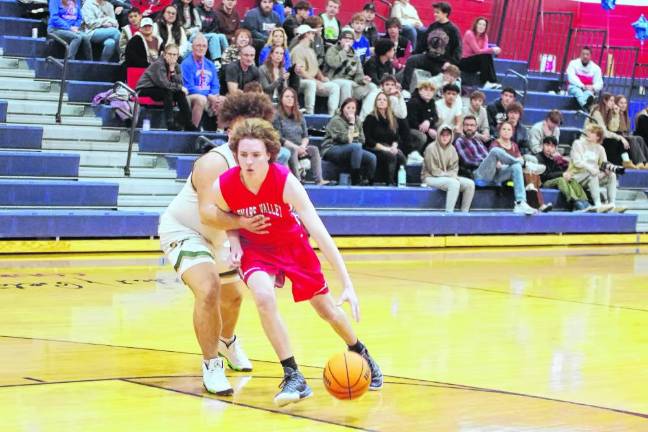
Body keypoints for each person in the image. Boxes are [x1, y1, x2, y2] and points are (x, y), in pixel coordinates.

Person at [212, 117, 382, 407]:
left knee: (327, 310)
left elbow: (320, 232)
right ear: (235, 155)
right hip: (256, 248)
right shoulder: (224, 185)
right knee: (263, 297)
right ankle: (293, 375)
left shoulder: (285, 182)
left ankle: (359, 349)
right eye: (243, 155)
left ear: (269, 154)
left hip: (293, 246)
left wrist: (348, 282)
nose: (249, 162)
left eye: (256, 155)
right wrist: (237, 241)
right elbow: (226, 216)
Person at [158, 92, 274, 396]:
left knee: (234, 297)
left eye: (255, 126)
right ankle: (211, 364)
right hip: (186, 229)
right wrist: (244, 224)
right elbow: (208, 214)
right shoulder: (214, 162)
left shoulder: (264, 164)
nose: (248, 133)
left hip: (225, 235)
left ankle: (227, 341)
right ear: (228, 129)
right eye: (241, 126)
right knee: (208, 288)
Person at [454, 116, 537, 215]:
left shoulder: (478, 141)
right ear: (463, 126)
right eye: (467, 125)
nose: (469, 127)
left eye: (472, 125)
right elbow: (468, 161)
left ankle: (520, 203)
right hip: (478, 174)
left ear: (476, 127)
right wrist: (489, 161)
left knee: (516, 167)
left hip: (493, 173)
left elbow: (487, 156)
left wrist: (492, 162)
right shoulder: (460, 141)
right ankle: (524, 163)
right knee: (495, 151)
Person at [490, 121, 550, 212]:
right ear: (499, 131)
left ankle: (534, 196)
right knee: (521, 168)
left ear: (512, 132)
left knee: (528, 171)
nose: (506, 131)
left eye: (509, 129)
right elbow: (498, 165)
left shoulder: (514, 145)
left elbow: (520, 160)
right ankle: (534, 202)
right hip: (500, 174)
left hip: (515, 173)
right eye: (504, 129)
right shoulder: (495, 144)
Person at [273, 87, 328, 185]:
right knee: (292, 150)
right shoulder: (276, 116)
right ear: (281, 99)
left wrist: (302, 146)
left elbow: (305, 136)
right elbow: (279, 138)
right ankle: (297, 180)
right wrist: (296, 147)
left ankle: (319, 180)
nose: (290, 99)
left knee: (314, 149)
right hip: (286, 147)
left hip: (300, 146)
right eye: (287, 96)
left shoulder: (299, 115)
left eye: (292, 97)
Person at [136, 44, 196, 131]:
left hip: (161, 89)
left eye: (174, 54)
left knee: (180, 93)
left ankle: (188, 123)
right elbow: (164, 84)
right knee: (167, 91)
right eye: (169, 54)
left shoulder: (176, 66)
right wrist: (179, 87)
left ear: (178, 56)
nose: (172, 56)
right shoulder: (158, 64)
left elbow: (180, 83)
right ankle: (170, 123)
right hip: (145, 89)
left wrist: (172, 70)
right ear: (164, 54)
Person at [568, 124, 623, 212]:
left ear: (598, 137)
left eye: (592, 132)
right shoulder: (578, 143)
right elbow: (577, 162)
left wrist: (607, 170)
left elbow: (604, 163)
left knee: (612, 175)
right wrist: (591, 169)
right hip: (577, 176)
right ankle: (598, 204)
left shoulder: (600, 148)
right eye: (588, 131)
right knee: (592, 175)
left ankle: (612, 203)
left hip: (593, 176)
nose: (588, 133)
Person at [322, 98, 376, 185]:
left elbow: (362, 139)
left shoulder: (358, 120)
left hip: (352, 149)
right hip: (332, 148)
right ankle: (355, 179)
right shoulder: (336, 120)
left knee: (372, 157)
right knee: (356, 147)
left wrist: (353, 137)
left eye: (353, 108)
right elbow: (346, 140)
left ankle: (368, 181)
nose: (351, 111)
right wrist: (351, 124)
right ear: (343, 108)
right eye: (348, 108)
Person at [421, 125, 475, 212]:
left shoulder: (452, 149)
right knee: (454, 183)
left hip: (447, 177)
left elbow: (454, 168)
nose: (445, 137)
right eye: (443, 135)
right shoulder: (430, 148)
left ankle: (464, 213)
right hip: (430, 177)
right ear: (438, 135)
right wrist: (448, 175)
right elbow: (433, 170)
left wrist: (450, 175)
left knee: (470, 184)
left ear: (451, 136)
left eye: (447, 135)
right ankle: (449, 214)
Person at [291, 24, 340, 115]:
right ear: (306, 34)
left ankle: (332, 115)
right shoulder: (297, 50)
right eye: (312, 33)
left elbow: (316, 68)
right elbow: (300, 72)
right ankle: (310, 113)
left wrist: (322, 78)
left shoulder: (311, 50)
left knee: (334, 86)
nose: (314, 35)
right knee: (311, 84)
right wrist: (317, 82)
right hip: (299, 81)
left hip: (312, 79)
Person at [362, 91, 407, 185]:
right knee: (391, 156)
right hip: (373, 147)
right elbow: (368, 140)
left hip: (388, 146)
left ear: (388, 103)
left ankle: (400, 182)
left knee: (401, 156)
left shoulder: (391, 118)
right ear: (375, 102)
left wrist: (394, 147)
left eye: (384, 100)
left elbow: (396, 137)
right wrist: (387, 149)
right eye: (379, 99)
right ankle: (389, 183)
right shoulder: (370, 118)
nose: (381, 101)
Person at [181, 33, 224, 128]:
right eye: (198, 45)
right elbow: (189, 87)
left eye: (204, 46)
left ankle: (220, 133)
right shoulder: (186, 64)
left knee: (223, 100)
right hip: (191, 97)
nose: (201, 48)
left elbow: (215, 85)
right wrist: (208, 96)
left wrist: (214, 96)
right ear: (192, 47)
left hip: (209, 96)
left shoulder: (210, 64)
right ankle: (192, 131)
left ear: (207, 48)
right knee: (201, 99)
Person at [537, 136, 591, 211]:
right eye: (547, 145)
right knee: (561, 180)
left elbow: (559, 171)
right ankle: (575, 202)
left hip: (552, 181)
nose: (549, 148)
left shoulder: (553, 159)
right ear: (542, 145)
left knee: (572, 179)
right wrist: (562, 174)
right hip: (543, 183)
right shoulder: (538, 157)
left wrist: (566, 174)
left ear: (555, 149)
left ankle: (584, 201)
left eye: (552, 146)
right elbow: (545, 175)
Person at [324, 27, 376, 103]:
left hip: (351, 83)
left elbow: (359, 74)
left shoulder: (355, 55)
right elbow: (334, 63)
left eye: (350, 39)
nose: (347, 40)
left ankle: (365, 114)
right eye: (345, 38)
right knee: (347, 84)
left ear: (353, 42)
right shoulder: (332, 50)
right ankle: (343, 110)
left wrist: (363, 80)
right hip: (333, 80)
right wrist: (344, 51)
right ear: (340, 40)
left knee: (372, 87)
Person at [586, 93, 635, 169]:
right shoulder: (597, 113)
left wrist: (616, 114)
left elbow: (613, 129)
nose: (613, 103)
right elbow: (604, 133)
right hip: (592, 139)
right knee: (615, 141)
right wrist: (620, 137)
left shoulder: (607, 112)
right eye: (611, 100)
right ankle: (615, 165)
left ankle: (626, 162)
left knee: (621, 140)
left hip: (600, 137)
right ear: (605, 101)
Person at [460, 17, 501, 89]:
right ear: (475, 25)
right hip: (464, 62)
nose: (481, 26)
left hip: (475, 63)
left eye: (484, 25)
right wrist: (492, 49)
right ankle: (486, 82)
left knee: (487, 55)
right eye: (479, 24)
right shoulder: (469, 34)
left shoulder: (485, 36)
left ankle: (493, 82)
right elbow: (478, 51)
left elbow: (484, 51)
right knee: (485, 55)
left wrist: (490, 50)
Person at [612, 94, 648, 169]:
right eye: (621, 103)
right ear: (616, 103)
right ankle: (640, 162)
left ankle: (646, 162)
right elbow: (614, 129)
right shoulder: (614, 114)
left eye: (625, 103)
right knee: (634, 139)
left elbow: (626, 130)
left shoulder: (625, 115)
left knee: (639, 138)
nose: (623, 105)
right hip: (616, 136)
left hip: (624, 135)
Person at [566, 47, 603, 111]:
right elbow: (571, 78)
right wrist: (582, 86)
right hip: (574, 87)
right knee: (578, 92)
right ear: (580, 55)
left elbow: (599, 83)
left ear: (591, 56)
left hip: (588, 90)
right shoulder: (573, 63)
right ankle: (585, 106)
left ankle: (585, 105)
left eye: (587, 54)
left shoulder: (596, 68)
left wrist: (593, 87)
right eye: (583, 54)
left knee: (589, 94)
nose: (585, 56)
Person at [406, 81, 438, 155]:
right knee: (422, 137)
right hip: (412, 128)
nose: (429, 92)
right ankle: (413, 155)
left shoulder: (432, 102)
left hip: (425, 128)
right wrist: (428, 130)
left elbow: (435, 116)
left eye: (431, 90)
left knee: (440, 133)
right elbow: (411, 121)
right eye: (426, 89)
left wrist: (428, 121)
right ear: (420, 90)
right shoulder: (413, 102)